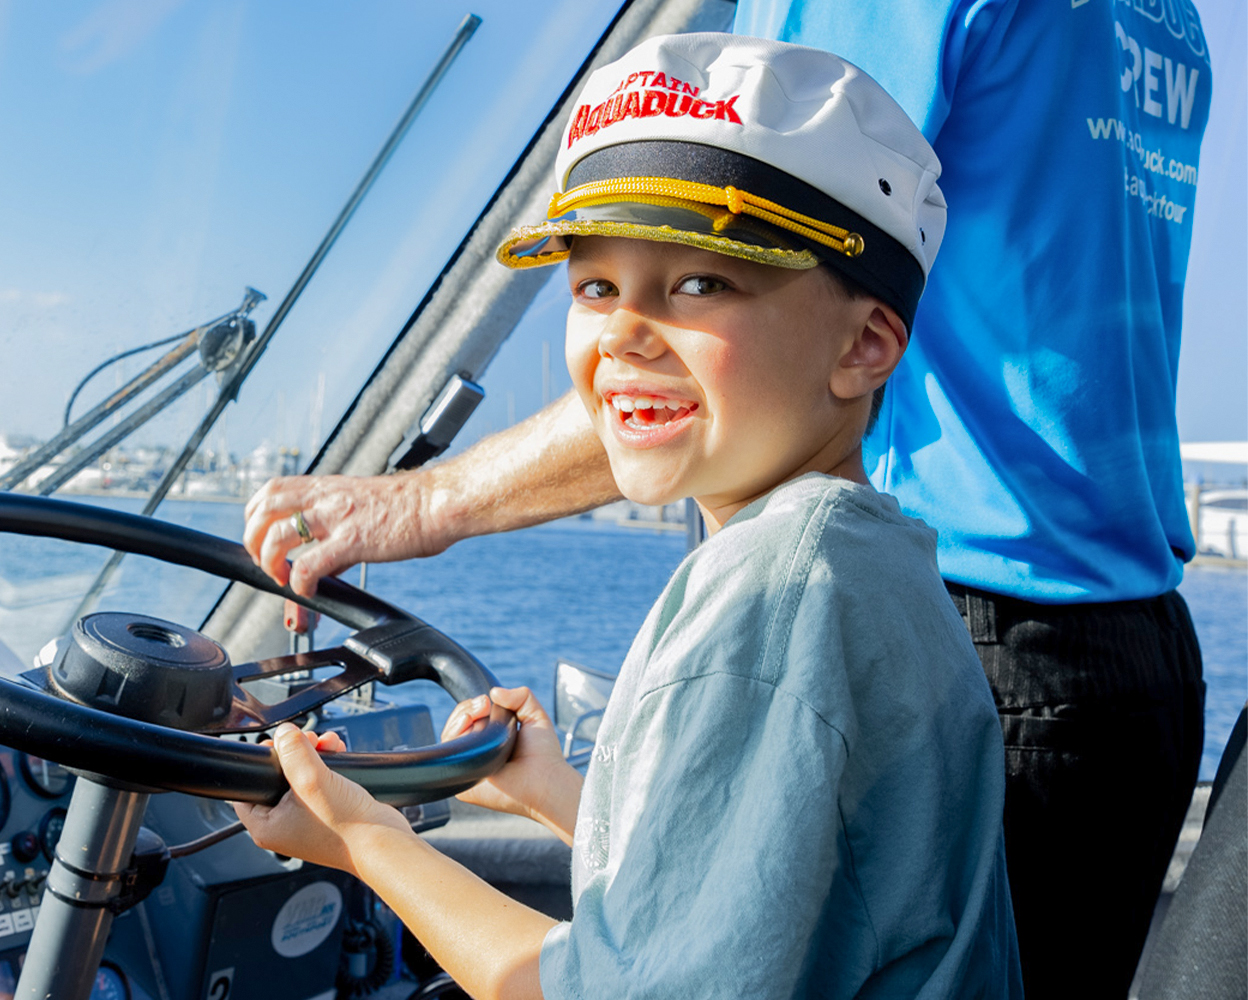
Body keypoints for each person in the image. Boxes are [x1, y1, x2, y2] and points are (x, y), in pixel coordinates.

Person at [246, 4, 1213, 994]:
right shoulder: (875, 564)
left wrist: (364, 840)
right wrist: (563, 794)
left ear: (868, 345)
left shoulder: (776, 605)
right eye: (592, 288)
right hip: (1123, 659)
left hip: (1027, 648)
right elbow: (809, 889)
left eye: (701, 282)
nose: (626, 331)